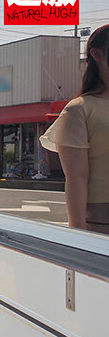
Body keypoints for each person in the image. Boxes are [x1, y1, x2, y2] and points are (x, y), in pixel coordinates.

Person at [40, 24, 109, 235]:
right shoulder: (79, 109)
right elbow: (77, 177)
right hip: (101, 222)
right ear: (97, 54)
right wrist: (78, 236)